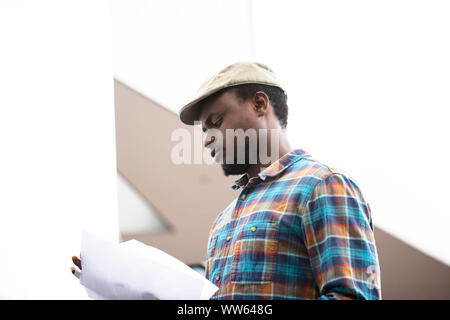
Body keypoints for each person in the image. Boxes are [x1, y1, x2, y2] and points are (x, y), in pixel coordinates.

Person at [72, 62, 381, 300]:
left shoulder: (322, 186)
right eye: (203, 131)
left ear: (260, 104)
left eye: (216, 123)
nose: (206, 140)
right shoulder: (223, 221)